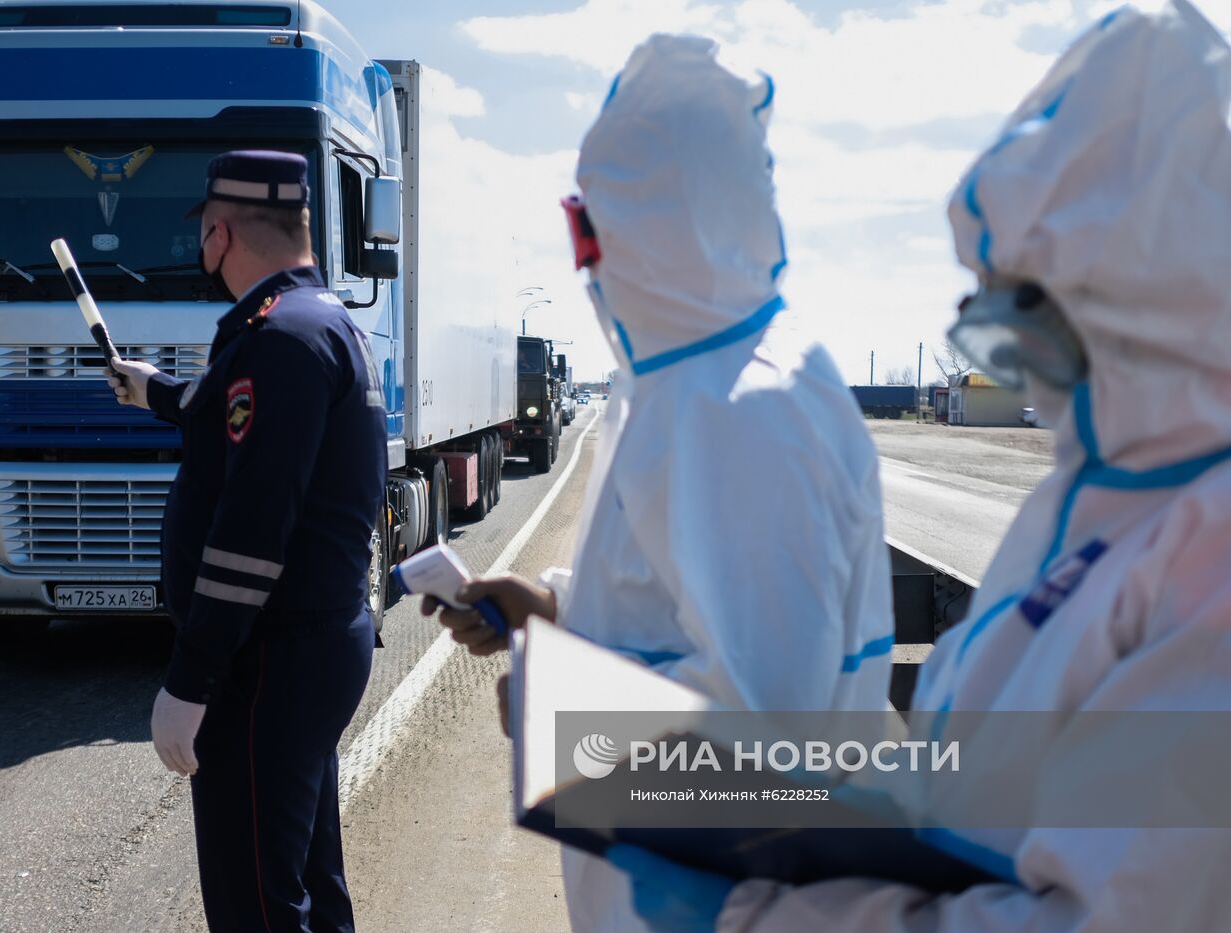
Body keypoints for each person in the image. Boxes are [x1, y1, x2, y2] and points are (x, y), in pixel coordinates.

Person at [607, 3, 1231, 930]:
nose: (1025, 373)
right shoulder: (1090, 505)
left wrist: (763, 913)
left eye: (1031, 329)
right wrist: (755, 814)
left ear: (1156, 318)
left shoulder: (1228, 552)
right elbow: (964, 772)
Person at [426, 35, 895, 933]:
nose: (585, 255)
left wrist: (555, 714)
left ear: (641, 222)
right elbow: (687, 607)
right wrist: (555, 610)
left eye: (587, 223)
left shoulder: (742, 411)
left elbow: (769, 753)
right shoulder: (690, 382)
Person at [108, 150, 386, 933]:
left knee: (255, 907)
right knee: (306, 880)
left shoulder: (277, 341)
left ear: (220, 232)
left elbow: (252, 531)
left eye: (202, 230)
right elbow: (242, 418)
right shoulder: (319, 323)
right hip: (311, 646)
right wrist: (153, 389)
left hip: (267, 663)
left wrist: (190, 682)